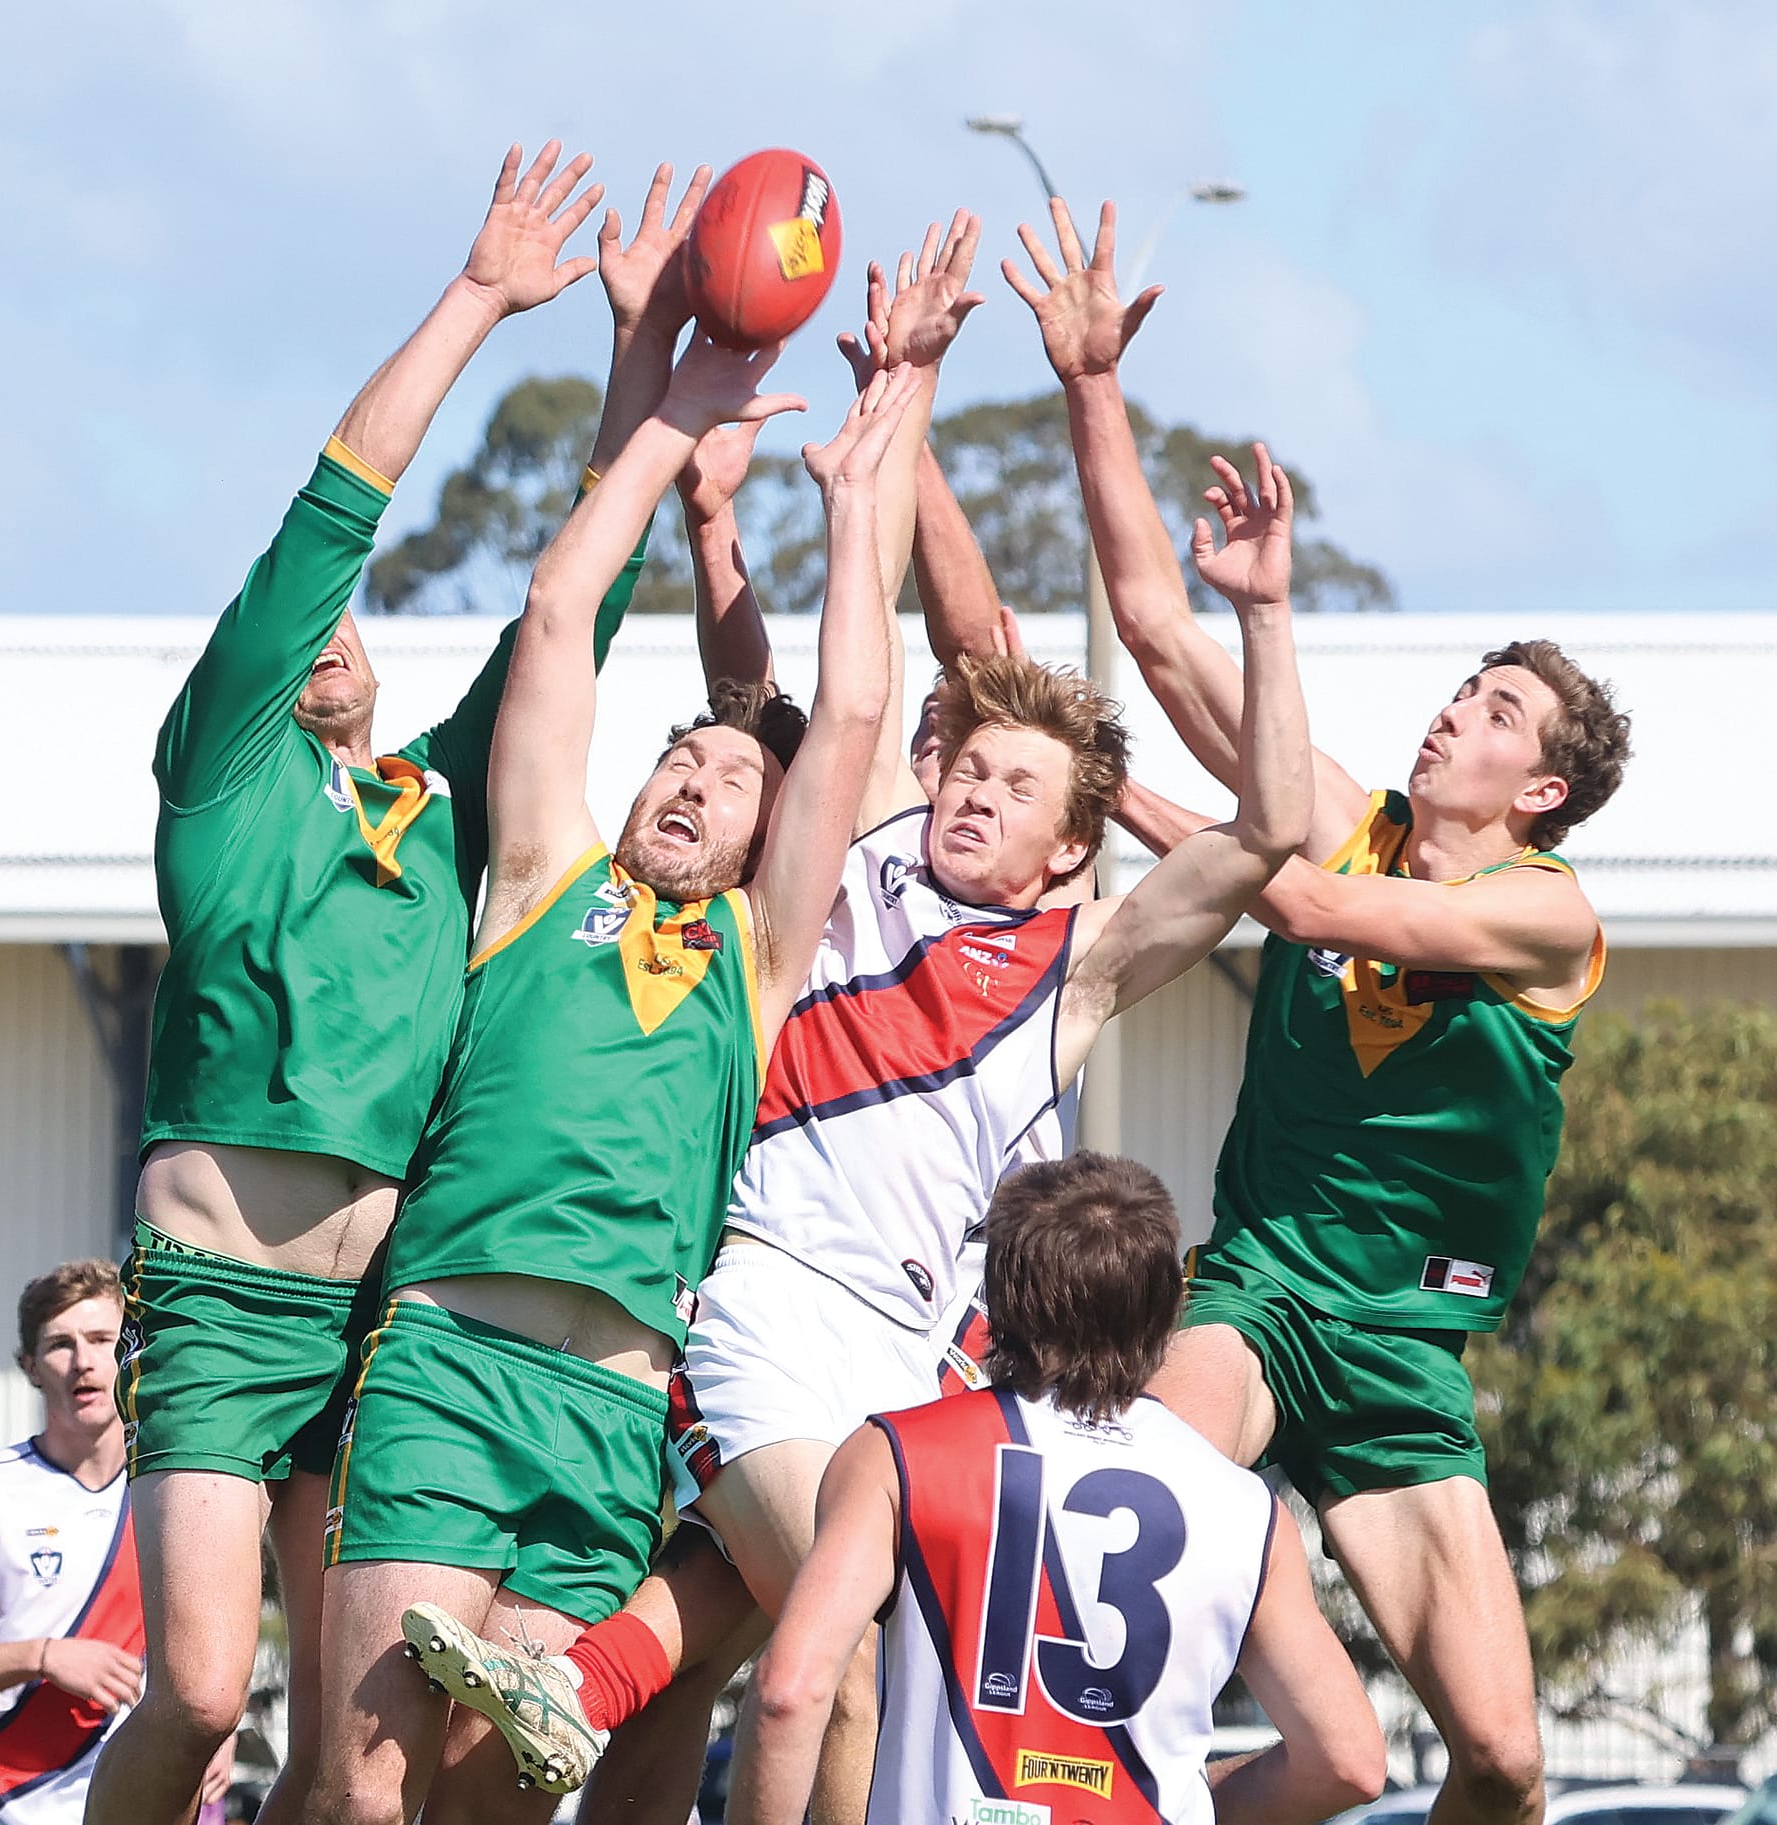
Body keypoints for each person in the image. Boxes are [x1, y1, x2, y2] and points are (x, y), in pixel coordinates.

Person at [427, 209, 1318, 1825]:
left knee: (794, 1675)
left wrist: (1258, 613)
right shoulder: (841, 863)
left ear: (1071, 842)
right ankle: (598, 1679)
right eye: (966, 765)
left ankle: (600, 1681)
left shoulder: (1081, 959)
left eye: (1017, 786)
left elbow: (1268, 839)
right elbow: (783, 699)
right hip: (764, 1300)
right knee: (846, 1648)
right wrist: (873, 420)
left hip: (923, 1351)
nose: (977, 793)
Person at [89, 142, 706, 1825]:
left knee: (350, 1772)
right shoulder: (227, 779)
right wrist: (485, 297)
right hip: (224, 1305)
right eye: (309, 621)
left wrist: (641, 358)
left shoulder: (448, 817)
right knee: (204, 1695)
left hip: (387, 1328)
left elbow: (573, 618)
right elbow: (332, 510)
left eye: (360, 613)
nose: (336, 622)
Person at [1012, 195, 1632, 1825]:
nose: (1457, 713)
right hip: (1266, 1290)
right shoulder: (1339, 815)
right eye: (1461, 688)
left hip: (1409, 1350)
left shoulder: (1546, 918)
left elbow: (1300, 895)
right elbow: (1152, 623)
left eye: (1497, 710)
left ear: (1545, 783)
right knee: (1130, 1494)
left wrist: (1238, 725)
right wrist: (1092, 387)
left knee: (1500, 1765)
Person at [300, 333, 923, 1825]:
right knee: (365, 1792)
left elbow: (845, 719)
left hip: (611, 1415)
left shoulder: (758, 961)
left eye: (727, 779)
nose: (692, 783)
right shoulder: (540, 873)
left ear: (767, 840)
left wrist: (849, 499)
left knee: (495, 1808)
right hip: (452, 1363)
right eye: (680, 761)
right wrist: (670, 427)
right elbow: (559, 608)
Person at [727, 1153, 1386, 1825]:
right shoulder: (1248, 1512)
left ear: (1001, 1298)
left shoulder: (896, 1454)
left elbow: (790, 1693)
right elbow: (1349, 1760)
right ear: (1167, 1312)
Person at [0, 1263, 229, 1824]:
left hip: (154, 1803)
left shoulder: (181, 1491)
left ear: (132, 1351)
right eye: (60, 1345)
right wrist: (41, 1656)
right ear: (30, 1368)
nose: (84, 1361)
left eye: (101, 1340)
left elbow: (217, 1641)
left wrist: (221, 1724)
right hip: (15, 1808)